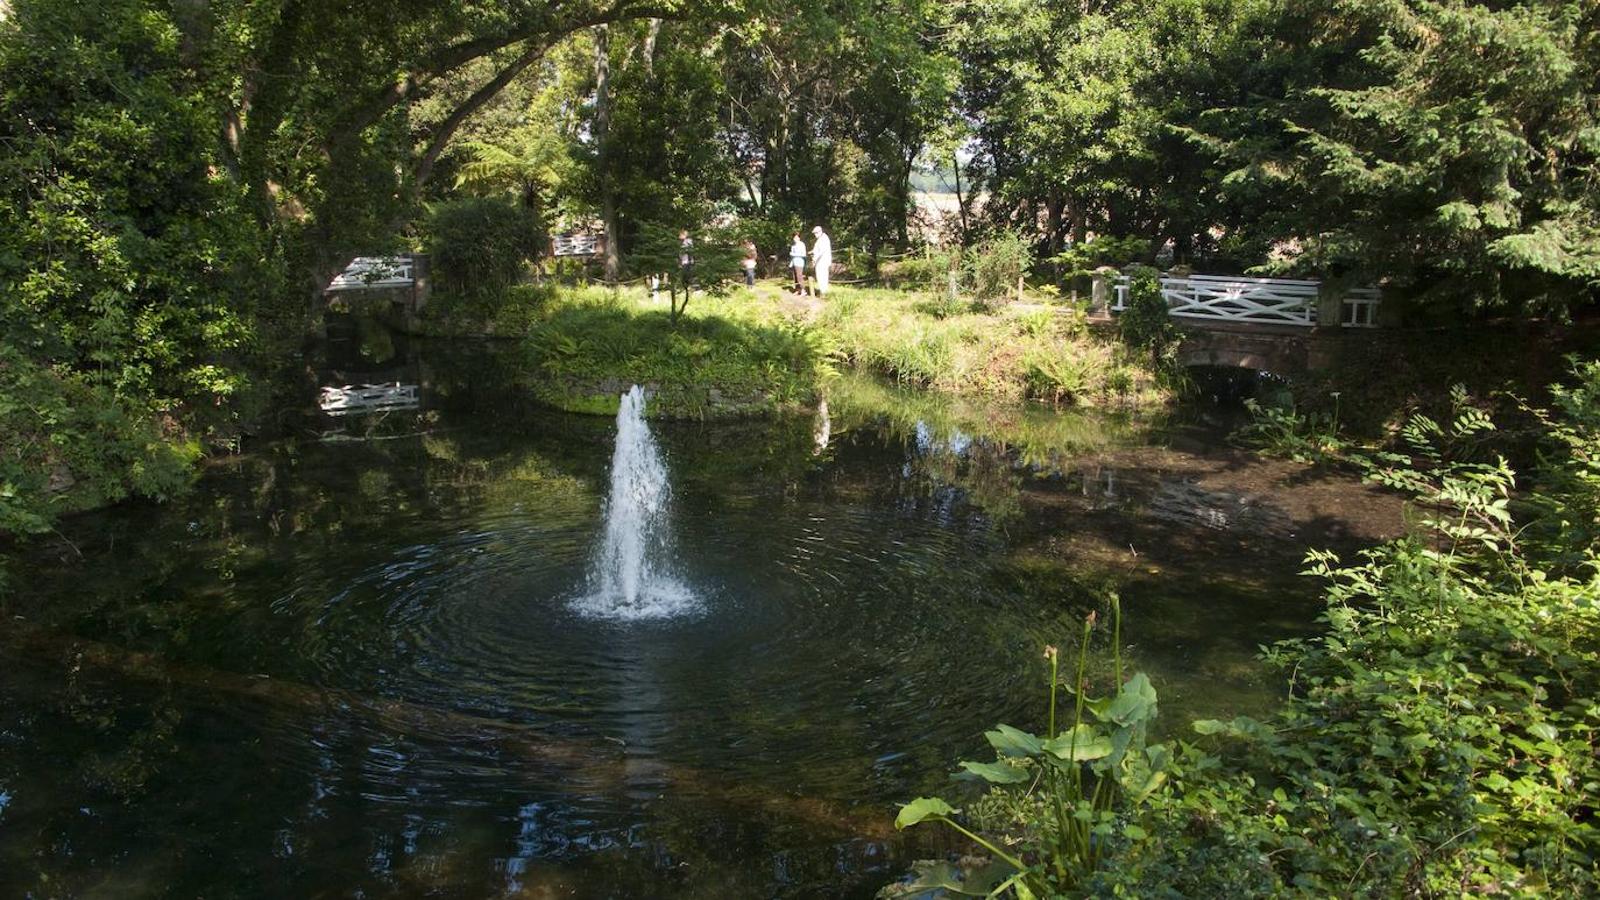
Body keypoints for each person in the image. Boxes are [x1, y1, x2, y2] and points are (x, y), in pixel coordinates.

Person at [810, 225, 832, 297]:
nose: (815, 235)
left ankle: (823, 292)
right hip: (820, 261)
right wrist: (812, 252)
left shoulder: (824, 239)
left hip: (822, 261)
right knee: (820, 276)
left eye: (815, 233)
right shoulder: (820, 239)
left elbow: (821, 251)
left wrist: (815, 258)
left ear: (819, 232)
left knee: (822, 276)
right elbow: (817, 249)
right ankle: (822, 291)